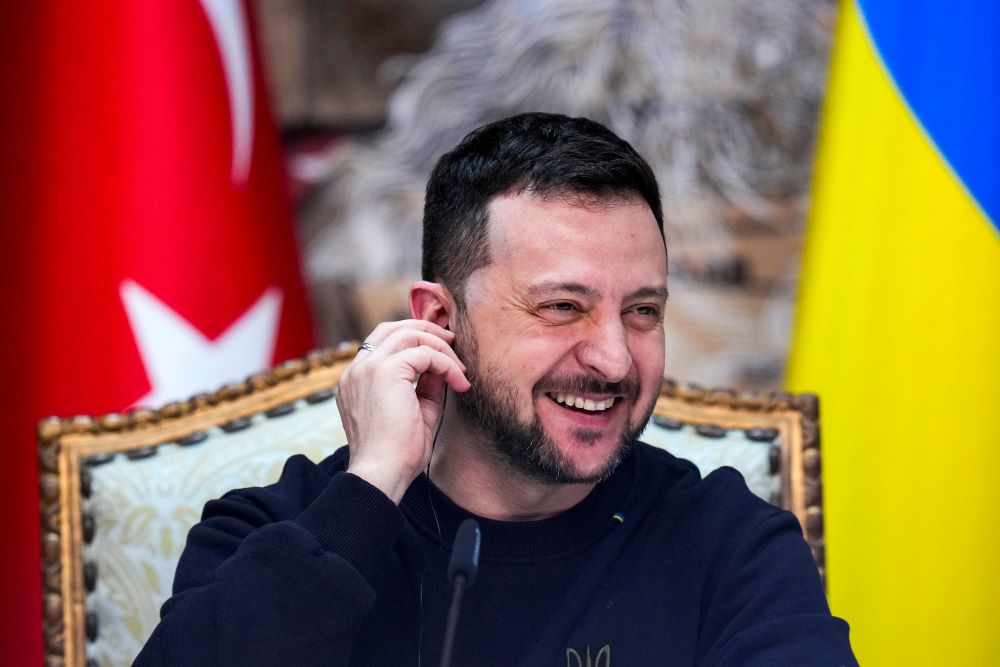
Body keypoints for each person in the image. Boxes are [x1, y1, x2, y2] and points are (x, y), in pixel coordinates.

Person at [136, 113, 856, 666]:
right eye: (562, 307)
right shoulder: (274, 533)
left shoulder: (731, 546)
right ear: (440, 321)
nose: (614, 360)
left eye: (643, 312)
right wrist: (371, 489)